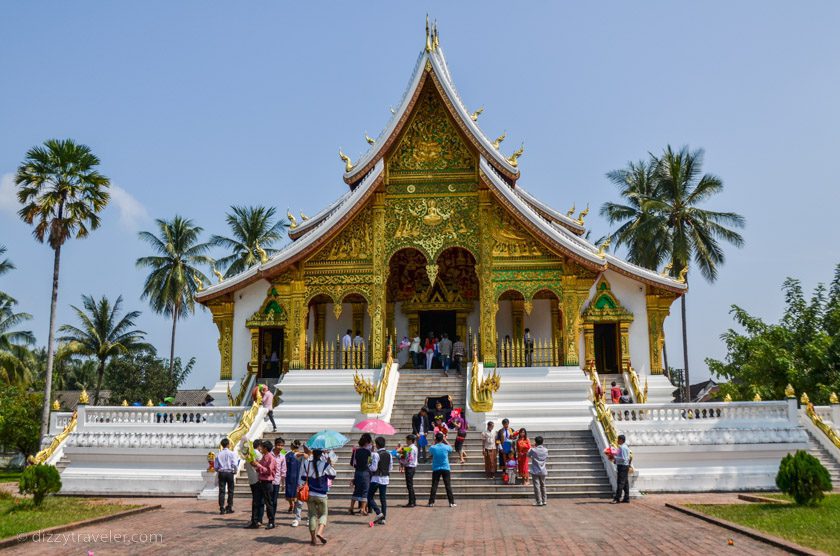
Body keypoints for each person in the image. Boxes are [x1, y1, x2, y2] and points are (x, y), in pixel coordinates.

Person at [300, 447, 336, 545]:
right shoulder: (324, 465)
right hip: (322, 494)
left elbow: (303, 477)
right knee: (323, 514)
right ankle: (320, 532)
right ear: (321, 455)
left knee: (312, 516)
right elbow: (333, 475)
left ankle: (313, 539)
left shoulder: (308, 464)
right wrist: (329, 464)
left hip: (310, 494)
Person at [250, 440, 277, 529]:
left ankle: (271, 521)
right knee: (257, 502)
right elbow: (260, 469)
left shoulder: (271, 458)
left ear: (265, 448)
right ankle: (255, 521)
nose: (260, 449)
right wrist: (255, 465)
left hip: (267, 482)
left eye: (262, 447)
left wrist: (258, 465)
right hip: (261, 481)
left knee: (268, 503)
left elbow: (268, 471)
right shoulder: (264, 457)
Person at [367, 436, 392, 525]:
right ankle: (383, 518)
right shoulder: (389, 454)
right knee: (383, 498)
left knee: (369, 497)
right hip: (385, 478)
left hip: (376, 478)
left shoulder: (375, 454)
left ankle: (379, 513)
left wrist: (369, 461)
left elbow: (373, 468)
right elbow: (390, 467)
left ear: (377, 445)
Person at [427, 432, 455, 507]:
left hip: (436, 468)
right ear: (442, 439)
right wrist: (445, 440)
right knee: (448, 485)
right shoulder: (446, 447)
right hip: (445, 468)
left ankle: (431, 502)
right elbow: (451, 448)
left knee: (434, 486)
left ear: (436, 439)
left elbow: (430, 450)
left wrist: (435, 442)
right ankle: (451, 502)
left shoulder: (433, 447)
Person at [243, 439, 264, 528]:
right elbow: (261, 464)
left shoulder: (248, 454)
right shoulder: (257, 454)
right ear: (259, 446)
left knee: (256, 501)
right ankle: (258, 519)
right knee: (259, 500)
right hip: (258, 479)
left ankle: (255, 520)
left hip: (253, 479)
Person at [214, 437, 239, 515]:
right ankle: (229, 506)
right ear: (228, 445)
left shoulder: (218, 454)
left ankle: (222, 508)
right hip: (229, 473)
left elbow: (215, 467)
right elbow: (235, 464)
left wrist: (219, 470)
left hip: (222, 473)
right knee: (230, 490)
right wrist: (235, 471)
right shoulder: (232, 453)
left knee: (222, 491)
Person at [349, 433, 372, 515]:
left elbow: (352, 463)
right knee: (365, 490)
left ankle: (351, 507)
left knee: (356, 490)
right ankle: (363, 509)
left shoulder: (355, 451)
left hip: (357, 472)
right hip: (365, 472)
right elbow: (370, 463)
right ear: (366, 443)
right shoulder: (368, 452)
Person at [285, 440, 303, 526]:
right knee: (297, 491)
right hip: (299, 476)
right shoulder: (301, 455)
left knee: (289, 490)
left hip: (289, 475)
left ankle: (291, 504)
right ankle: (295, 504)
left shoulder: (288, 455)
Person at [528, 435, 549, 506]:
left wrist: (532, 448)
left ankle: (539, 501)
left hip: (535, 470)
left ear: (536, 442)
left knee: (536, 486)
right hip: (543, 470)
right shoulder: (546, 450)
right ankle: (544, 500)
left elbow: (528, 455)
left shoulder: (533, 450)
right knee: (543, 485)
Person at [612, 434, 631, 504]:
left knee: (620, 483)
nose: (617, 441)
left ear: (621, 440)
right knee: (625, 483)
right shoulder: (626, 447)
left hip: (622, 466)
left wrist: (615, 458)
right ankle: (626, 498)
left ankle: (617, 498)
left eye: (618, 439)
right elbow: (627, 458)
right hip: (625, 466)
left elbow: (623, 458)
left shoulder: (622, 448)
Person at [400, 434, 418, 507]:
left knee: (409, 485)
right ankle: (413, 500)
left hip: (410, 467)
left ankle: (411, 502)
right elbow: (402, 450)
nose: (406, 441)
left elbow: (408, 459)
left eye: (407, 440)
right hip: (412, 467)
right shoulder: (414, 447)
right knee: (410, 485)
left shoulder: (411, 448)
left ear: (410, 440)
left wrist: (402, 462)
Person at [271, 438, 287, 515]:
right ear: (275, 445)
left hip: (277, 481)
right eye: (278, 445)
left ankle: (272, 517)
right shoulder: (269, 455)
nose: (280, 447)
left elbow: (283, 471)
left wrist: (283, 484)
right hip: (268, 481)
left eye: (282, 445)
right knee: (267, 500)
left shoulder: (282, 456)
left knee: (274, 500)